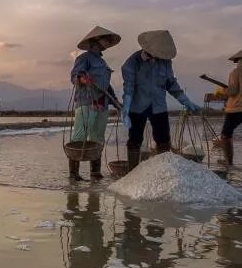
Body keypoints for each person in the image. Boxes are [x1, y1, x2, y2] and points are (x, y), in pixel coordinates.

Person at [120, 30, 200, 171]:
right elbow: (129, 87)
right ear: (148, 48)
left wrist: (186, 101)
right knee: (135, 139)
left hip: (158, 105)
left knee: (163, 139)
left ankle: (164, 171)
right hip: (138, 105)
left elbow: (171, 84)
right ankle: (132, 172)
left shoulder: (165, 62)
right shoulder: (133, 62)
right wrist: (125, 108)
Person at [68, 26, 123, 180]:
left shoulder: (103, 62)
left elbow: (106, 86)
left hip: (102, 104)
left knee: (98, 137)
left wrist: (115, 101)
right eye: (106, 39)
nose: (108, 42)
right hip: (86, 101)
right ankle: (73, 174)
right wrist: (82, 79)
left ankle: (95, 172)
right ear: (96, 40)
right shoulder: (84, 58)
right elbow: (74, 76)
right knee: (80, 136)